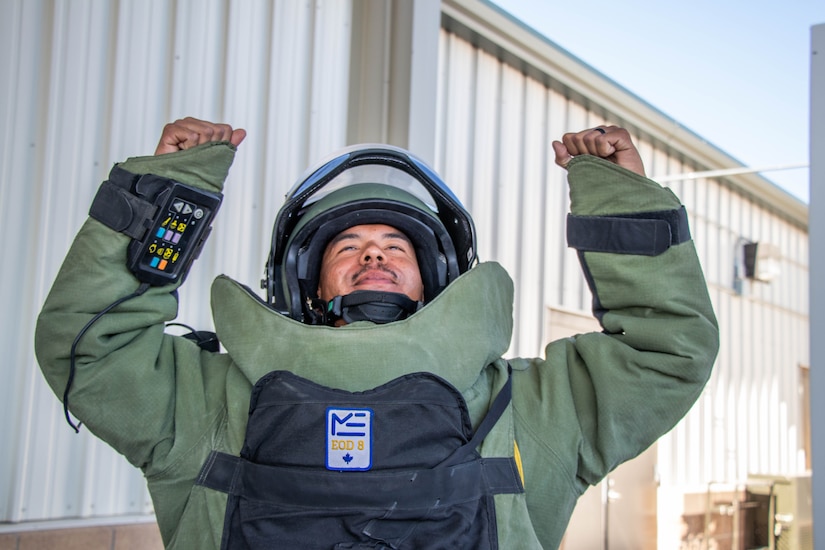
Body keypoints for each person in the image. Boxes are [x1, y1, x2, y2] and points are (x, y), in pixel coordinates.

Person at [35, 117, 718, 549]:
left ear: (437, 273)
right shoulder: (206, 398)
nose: (373, 255)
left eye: (396, 245)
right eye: (347, 246)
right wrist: (166, 192)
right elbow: (90, 348)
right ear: (307, 281)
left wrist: (619, 199)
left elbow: (663, 354)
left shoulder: (531, 411)